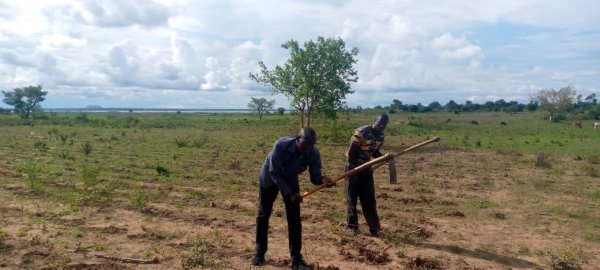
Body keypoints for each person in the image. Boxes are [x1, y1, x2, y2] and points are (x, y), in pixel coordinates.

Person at [252, 127, 334, 270]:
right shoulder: (281, 145)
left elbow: (314, 177)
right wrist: (290, 193)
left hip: (290, 179)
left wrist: (322, 180)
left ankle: (297, 260)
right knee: (263, 214)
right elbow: (274, 172)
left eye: (312, 144)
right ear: (298, 139)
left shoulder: (313, 153)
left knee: (294, 219)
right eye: (306, 143)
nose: (308, 147)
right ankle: (259, 253)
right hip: (270, 178)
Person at [345, 113, 389, 237]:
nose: (381, 126)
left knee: (369, 199)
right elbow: (351, 154)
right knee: (352, 198)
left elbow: (374, 151)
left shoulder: (381, 136)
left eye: (384, 124)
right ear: (374, 121)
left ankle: (375, 228)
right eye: (379, 123)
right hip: (352, 168)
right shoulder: (361, 132)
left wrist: (385, 157)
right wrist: (361, 168)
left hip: (367, 170)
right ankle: (352, 227)